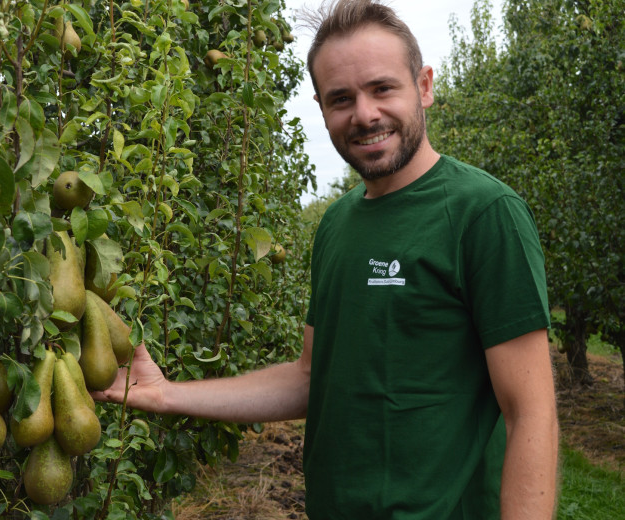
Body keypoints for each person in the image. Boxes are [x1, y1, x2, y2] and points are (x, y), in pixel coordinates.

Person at [94, 1, 559, 518]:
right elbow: (312, 377)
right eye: (342, 98)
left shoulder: (483, 213)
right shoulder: (337, 225)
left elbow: (530, 414)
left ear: (424, 86)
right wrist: (163, 394)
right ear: (321, 108)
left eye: (383, 88)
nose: (364, 114)